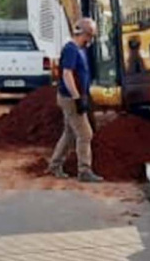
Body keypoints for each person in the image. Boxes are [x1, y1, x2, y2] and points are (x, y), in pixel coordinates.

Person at [47, 17, 104, 182]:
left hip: (73, 96)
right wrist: (77, 97)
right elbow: (67, 73)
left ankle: (55, 165)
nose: (90, 40)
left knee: (70, 133)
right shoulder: (71, 49)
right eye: (90, 36)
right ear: (84, 34)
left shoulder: (80, 49)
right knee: (85, 134)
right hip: (70, 97)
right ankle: (84, 171)